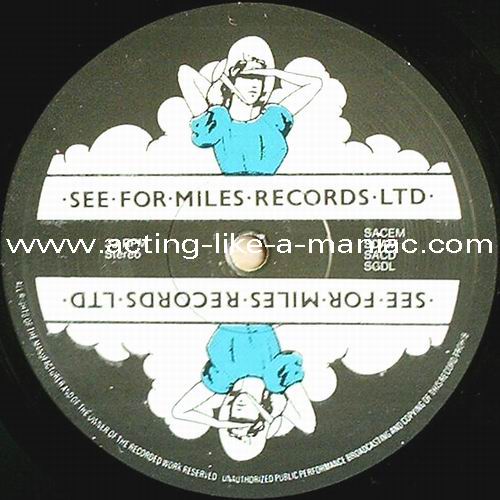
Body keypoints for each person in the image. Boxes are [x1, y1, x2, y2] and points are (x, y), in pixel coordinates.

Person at [177, 36, 323, 174]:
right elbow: (184, 72)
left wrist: (273, 72)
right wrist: (220, 85)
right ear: (232, 81)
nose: (255, 84)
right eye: (248, 77)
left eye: (259, 78)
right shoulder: (219, 121)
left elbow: (315, 83)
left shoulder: (272, 118)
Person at [171, 324, 316, 461]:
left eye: (233, 418)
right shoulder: (276, 378)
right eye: (244, 419)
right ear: (260, 418)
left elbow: (178, 412)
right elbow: (309, 426)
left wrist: (220, 424)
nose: (239, 411)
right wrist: (269, 419)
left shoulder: (221, 380)